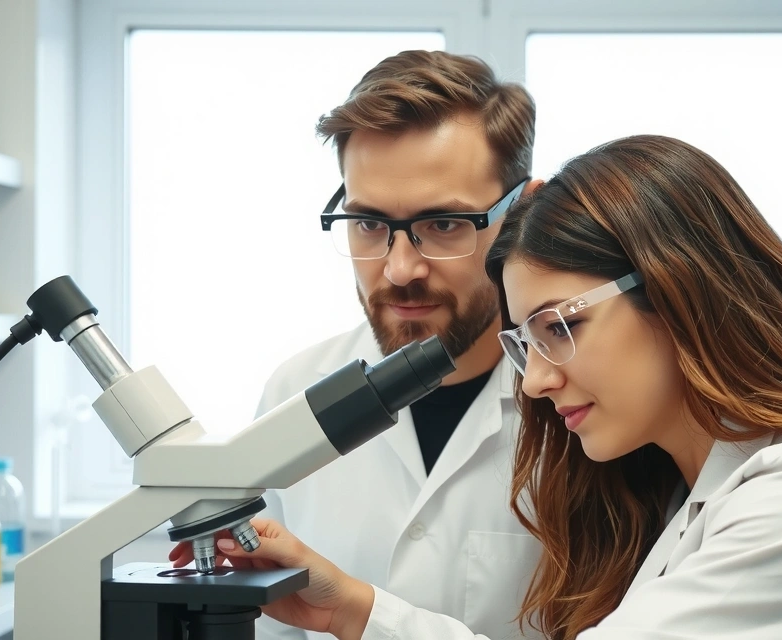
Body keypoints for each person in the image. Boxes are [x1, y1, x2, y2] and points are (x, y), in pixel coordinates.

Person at [205, 134, 782, 639]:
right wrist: (349, 608)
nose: (539, 381)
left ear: (680, 290)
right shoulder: (688, 494)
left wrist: (359, 614)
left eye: (559, 327)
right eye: (524, 343)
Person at [172, 50, 545, 640]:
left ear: (524, 211)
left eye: (443, 225)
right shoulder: (293, 392)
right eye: (369, 223)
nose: (399, 269)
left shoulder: (579, 407)